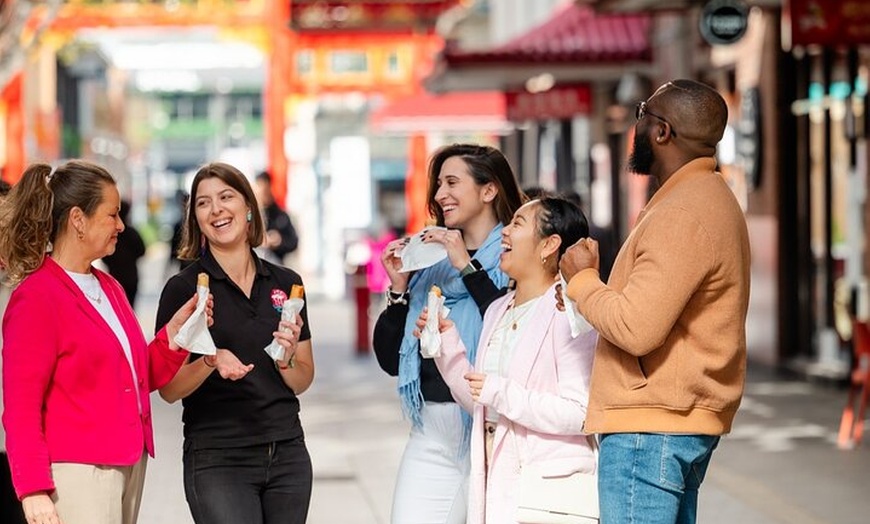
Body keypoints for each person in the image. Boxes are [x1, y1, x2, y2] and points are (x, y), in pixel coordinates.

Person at [560, 79, 751, 524]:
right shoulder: (705, 197)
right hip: (669, 421)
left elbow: (636, 327)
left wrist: (584, 280)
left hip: (651, 428)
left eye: (642, 112)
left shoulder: (684, 211)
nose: (636, 124)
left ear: (662, 131)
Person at [0, 160, 206, 524]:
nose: (121, 225)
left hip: (127, 464)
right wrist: (32, 490)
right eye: (112, 215)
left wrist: (175, 334)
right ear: (78, 219)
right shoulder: (36, 297)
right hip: (78, 473)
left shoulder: (108, 287)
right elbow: (20, 407)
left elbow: (135, 375)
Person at [419, 197, 597, 524]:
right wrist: (446, 346)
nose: (504, 232)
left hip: (547, 495)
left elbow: (580, 413)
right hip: (499, 488)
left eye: (517, 223)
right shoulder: (499, 310)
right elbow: (483, 401)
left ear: (549, 245)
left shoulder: (569, 311)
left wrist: (500, 392)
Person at [372, 143, 524, 524]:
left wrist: (465, 265)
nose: (440, 195)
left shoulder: (517, 252)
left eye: (452, 182)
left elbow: (511, 328)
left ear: (488, 191)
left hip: (493, 432)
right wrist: (399, 289)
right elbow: (390, 361)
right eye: (439, 184)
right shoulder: (428, 258)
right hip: (431, 431)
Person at [156, 162, 314, 524]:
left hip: (287, 454)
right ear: (195, 218)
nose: (216, 210)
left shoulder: (286, 283)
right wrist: (211, 360)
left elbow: (304, 378)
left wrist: (287, 360)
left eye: (226, 197)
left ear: (248, 207)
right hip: (218, 459)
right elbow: (168, 388)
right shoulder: (183, 289)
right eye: (203, 203)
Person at [102, 199, 146, 308]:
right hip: (130, 276)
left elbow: (104, 255)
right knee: (129, 307)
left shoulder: (110, 235)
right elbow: (142, 250)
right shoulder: (132, 233)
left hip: (115, 274)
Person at [253, 170, 299, 265]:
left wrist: (279, 241)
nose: (262, 194)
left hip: (275, 266)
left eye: (265, 189)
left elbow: (293, 242)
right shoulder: (250, 214)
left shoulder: (280, 216)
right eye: (259, 188)